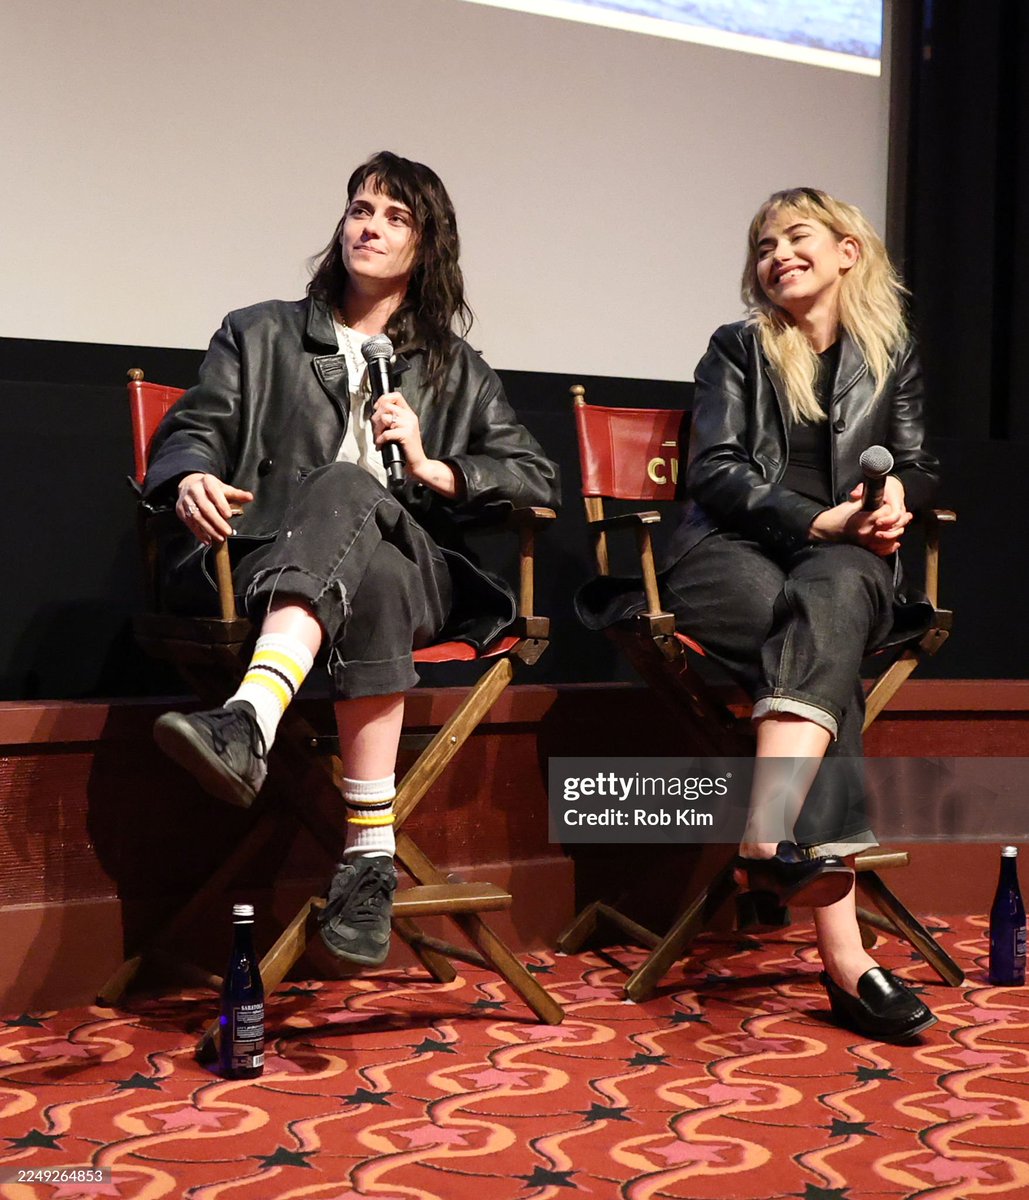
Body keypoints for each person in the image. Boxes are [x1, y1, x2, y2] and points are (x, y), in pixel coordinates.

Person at [144, 151, 559, 969]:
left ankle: (249, 718)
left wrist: (441, 469)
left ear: (426, 247)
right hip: (275, 560)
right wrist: (191, 471)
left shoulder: (455, 369)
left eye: (396, 217)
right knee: (362, 548)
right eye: (360, 209)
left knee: (354, 495)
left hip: (424, 569)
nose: (370, 226)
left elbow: (535, 478)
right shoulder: (259, 332)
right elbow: (194, 428)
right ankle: (370, 857)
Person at [582, 187, 938, 1040]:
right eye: (763, 245)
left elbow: (920, 465)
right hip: (727, 552)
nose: (776, 254)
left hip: (840, 560)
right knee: (824, 637)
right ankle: (847, 962)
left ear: (848, 250)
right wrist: (816, 520)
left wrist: (895, 505)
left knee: (836, 593)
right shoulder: (737, 347)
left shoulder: (891, 352)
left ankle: (766, 840)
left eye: (796, 236)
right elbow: (716, 472)